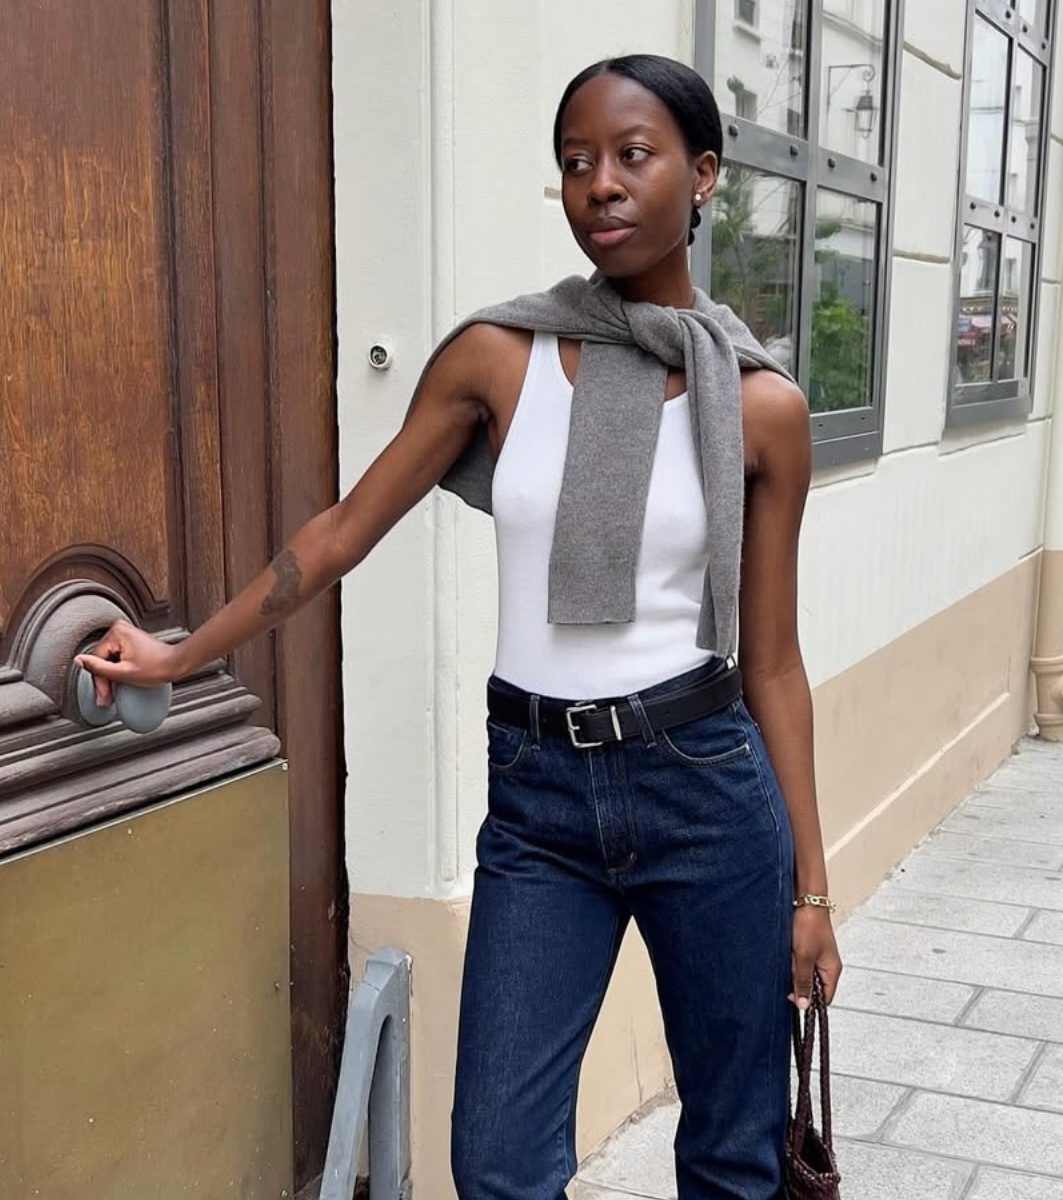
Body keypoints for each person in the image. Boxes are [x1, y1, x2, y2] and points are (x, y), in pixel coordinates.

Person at [77, 53, 841, 1200]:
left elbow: (774, 663)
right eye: (576, 163)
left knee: (734, 1156)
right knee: (494, 1161)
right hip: (540, 798)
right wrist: (184, 656)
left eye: (634, 156)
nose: (602, 185)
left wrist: (812, 893)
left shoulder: (764, 409)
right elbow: (339, 532)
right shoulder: (501, 356)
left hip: (708, 788)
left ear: (705, 177)